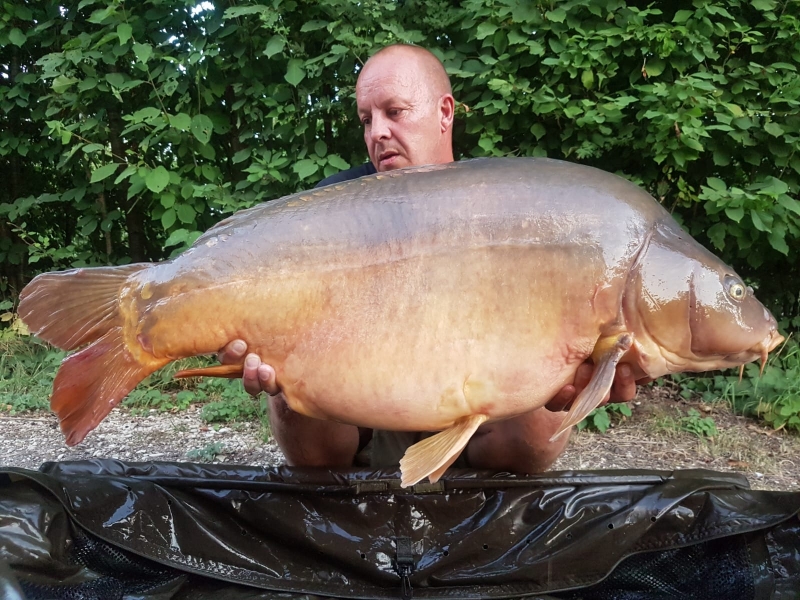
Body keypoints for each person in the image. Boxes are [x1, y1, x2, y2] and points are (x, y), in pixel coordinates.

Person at [219, 44, 638, 473]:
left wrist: (573, 366)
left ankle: (480, 520)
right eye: (366, 119)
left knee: (533, 438)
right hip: (366, 400)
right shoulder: (337, 211)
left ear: (444, 113)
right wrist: (262, 346)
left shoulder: (504, 207)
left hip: (483, 400)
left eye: (394, 112)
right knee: (291, 404)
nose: (376, 132)